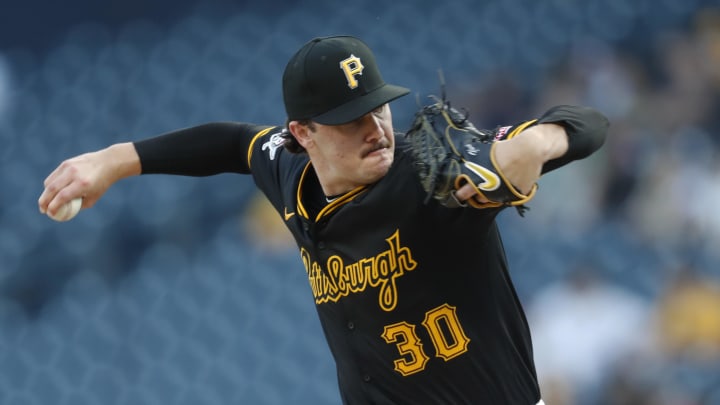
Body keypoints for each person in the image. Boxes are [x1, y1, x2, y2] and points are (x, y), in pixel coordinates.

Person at [38, 35, 609, 405]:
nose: (375, 127)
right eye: (349, 118)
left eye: (377, 106)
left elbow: (588, 124)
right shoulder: (290, 173)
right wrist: (112, 161)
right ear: (302, 134)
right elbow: (232, 144)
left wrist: (542, 140)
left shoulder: (436, 182)